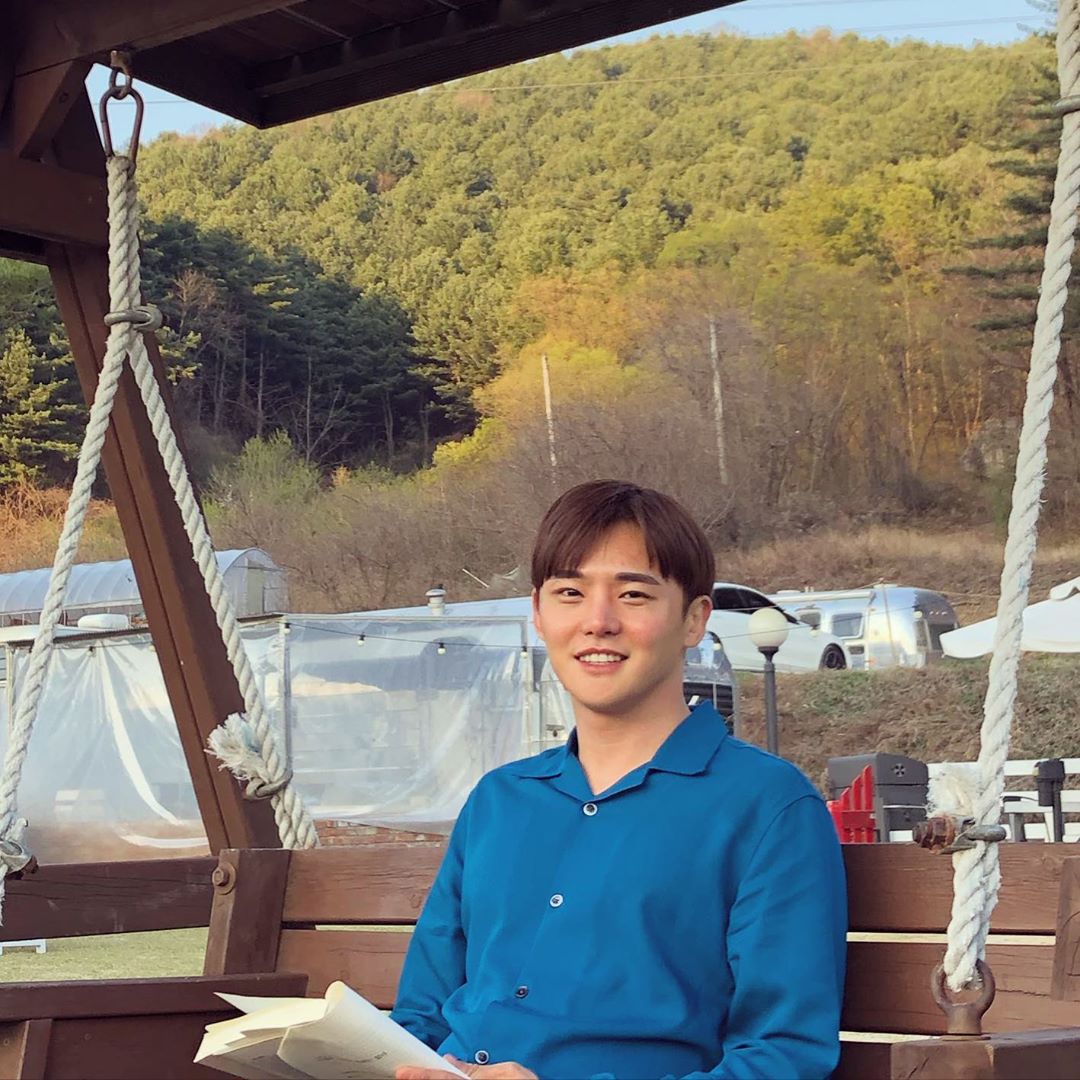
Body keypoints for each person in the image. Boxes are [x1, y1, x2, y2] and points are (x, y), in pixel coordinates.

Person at [393, 480, 847, 1080]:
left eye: (633, 595)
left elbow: (785, 1054)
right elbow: (419, 1016)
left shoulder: (766, 807)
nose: (597, 622)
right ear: (538, 614)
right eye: (570, 593)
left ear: (694, 619)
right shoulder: (498, 801)